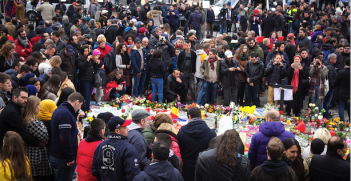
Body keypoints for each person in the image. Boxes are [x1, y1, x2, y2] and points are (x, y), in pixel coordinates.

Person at [92, 116, 141, 181]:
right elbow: (133, 174)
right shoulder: (128, 148)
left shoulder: (100, 146)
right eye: (125, 127)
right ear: (117, 131)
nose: (128, 129)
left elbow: (95, 170)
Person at [49, 92, 84, 181]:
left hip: (60, 156)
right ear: (76, 102)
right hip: (62, 158)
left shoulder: (63, 110)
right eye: (80, 105)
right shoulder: (65, 113)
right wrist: (70, 157)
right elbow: (64, 137)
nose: (79, 108)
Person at [178, 107, 216, 181]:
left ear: (189, 117)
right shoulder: (212, 134)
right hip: (204, 169)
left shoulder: (182, 132)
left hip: (187, 170)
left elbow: (179, 151)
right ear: (201, 116)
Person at [22, 96, 52, 180]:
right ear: (33, 107)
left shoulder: (30, 119)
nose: (40, 108)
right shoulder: (32, 122)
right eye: (38, 106)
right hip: (36, 156)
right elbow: (45, 136)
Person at [77, 45, 99, 111]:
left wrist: (95, 62)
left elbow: (95, 67)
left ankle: (88, 107)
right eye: (85, 51)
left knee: (89, 94)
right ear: (82, 51)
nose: (87, 52)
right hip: (84, 78)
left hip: (91, 78)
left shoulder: (90, 58)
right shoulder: (79, 59)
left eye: (88, 51)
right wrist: (87, 60)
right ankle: (84, 108)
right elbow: (82, 67)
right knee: (85, 94)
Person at [334, 58, 350, 122]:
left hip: (342, 92)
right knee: (349, 107)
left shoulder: (341, 72)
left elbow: (336, 82)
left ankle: (342, 121)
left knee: (341, 107)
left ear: (345, 64)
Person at [323, 53, 337, 118]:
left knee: (326, 100)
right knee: (327, 101)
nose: (336, 60)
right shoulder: (330, 67)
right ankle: (325, 114)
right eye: (335, 59)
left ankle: (326, 112)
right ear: (331, 59)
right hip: (330, 87)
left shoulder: (329, 65)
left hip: (328, 87)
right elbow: (331, 78)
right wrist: (332, 86)